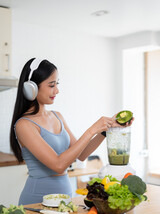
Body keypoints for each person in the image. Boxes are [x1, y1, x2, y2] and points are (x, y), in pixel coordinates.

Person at [10, 58, 133, 205]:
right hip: (36, 203)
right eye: (51, 85)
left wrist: (106, 129)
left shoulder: (57, 116)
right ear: (31, 88)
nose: (57, 90)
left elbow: (81, 154)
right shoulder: (24, 125)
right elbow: (58, 165)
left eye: (57, 84)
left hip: (66, 199)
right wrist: (92, 129)